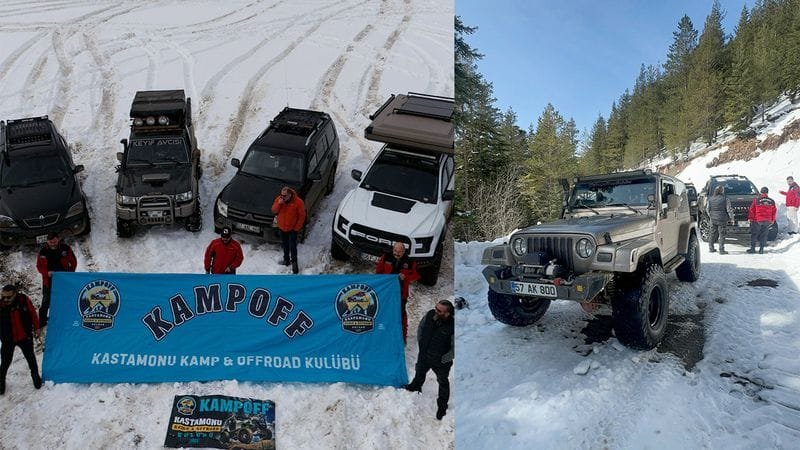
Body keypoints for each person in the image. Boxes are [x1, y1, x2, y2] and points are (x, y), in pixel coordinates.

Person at [404, 300, 454, 420]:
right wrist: (421, 345)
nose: (435, 311)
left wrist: (444, 359)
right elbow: (420, 329)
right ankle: (415, 387)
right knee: (419, 372)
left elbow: (455, 347)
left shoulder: (453, 326)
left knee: (443, 383)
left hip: (441, 362)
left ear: (447, 313)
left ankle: (442, 406)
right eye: (436, 308)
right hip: (424, 355)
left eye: (439, 310)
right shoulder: (430, 314)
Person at [375, 241, 420, 343]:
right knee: (382, 313)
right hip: (386, 292)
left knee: (400, 315)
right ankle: (381, 334)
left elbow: (417, 275)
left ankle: (401, 337)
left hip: (401, 294)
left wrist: (406, 277)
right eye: (395, 250)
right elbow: (378, 272)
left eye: (399, 251)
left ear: (404, 251)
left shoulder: (410, 262)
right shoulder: (386, 257)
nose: (397, 253)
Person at [1, 284, 42, 395]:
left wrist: (37, 328)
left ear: (15, 294)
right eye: (3, 296)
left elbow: (33, 313)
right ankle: (1, 383)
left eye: (8, 297)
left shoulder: (23, 300)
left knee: (31, 359)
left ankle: (36, 378)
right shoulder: (1, 304)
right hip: (7, 339)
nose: (5, 299)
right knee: (5, 363)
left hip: (25, 336)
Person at [36, 233, 77, 329]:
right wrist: (46, 273)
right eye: (50, 241)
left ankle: (65, 318)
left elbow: (73, 262)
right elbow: (39, 266)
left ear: (58, 239)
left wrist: (70, 274)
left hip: (63, 280)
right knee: (46, 301)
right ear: (47, 241)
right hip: (49, 280)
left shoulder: (66, 249)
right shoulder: (43, 252)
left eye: (54, 241)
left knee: (65, 299)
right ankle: (42, 322)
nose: (52, 243)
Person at [271, 186, 306, 274]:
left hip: (292, 229)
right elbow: (274, 210)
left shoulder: (298, 202)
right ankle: (286, 260)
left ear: (290, 195)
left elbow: (302, 216)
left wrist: (297, 228)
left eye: (285, 196)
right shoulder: (279, 200)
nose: (283, 197)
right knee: (285, 245)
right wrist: (279, 203)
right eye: (281, 195)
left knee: (293, 246)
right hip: (282, 228)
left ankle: (294, 262)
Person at [747, 186, 777, 254]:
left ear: (760, 192)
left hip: (758, 220)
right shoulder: (772, 201)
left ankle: (753, 249)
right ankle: (761, 249)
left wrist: (751, 218)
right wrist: (772, 220)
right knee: (764, 235)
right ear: (767, 192)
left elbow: (752, 210)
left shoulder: (756, 200)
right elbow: (774, 211)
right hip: (767, 220)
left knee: (754, 234)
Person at [706, 185, 734, 254]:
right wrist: (731, 218)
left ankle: (711, 248)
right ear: (722, 191)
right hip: (722, 219)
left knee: (712, 234)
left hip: (713, 219)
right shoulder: (725, 199)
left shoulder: (710, 199)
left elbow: (707, 209)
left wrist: (711, 216)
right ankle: (721, 250)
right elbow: (729, 209)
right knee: (722, 234)